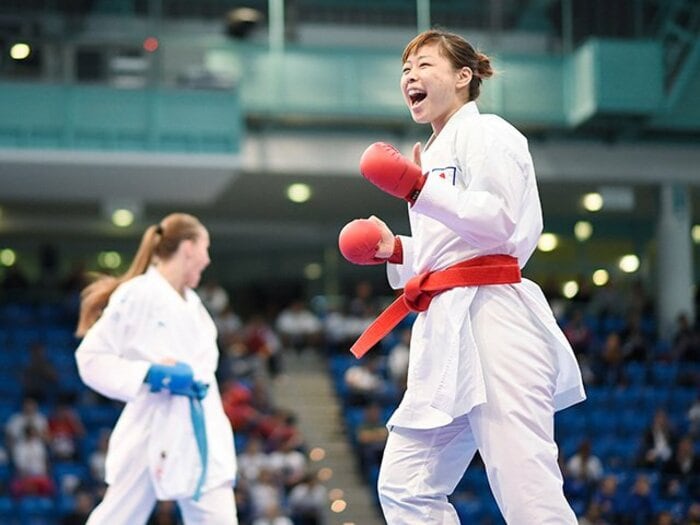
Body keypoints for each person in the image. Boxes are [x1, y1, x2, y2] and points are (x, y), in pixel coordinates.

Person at [337, 29, 585, 523]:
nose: (411, 75)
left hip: (496, 318)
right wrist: (394, 250)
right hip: (446, 326)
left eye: (425, 65)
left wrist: (416, 188)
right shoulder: (429, 153)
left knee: (525, 487)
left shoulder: (489, 132)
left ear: (464, 77)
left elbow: (499, 222)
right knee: (406, 486)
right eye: (406, 70)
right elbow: (447, 254)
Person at [74, 213, 238, 524]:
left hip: (201, 425)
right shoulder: (138, 293)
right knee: (117, 518)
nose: (207, 260)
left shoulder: (194, 305)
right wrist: (151, 374)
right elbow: (91, 358)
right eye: (205, 248)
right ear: (188, 248)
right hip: (153, 426)